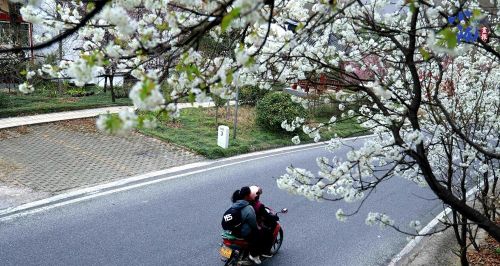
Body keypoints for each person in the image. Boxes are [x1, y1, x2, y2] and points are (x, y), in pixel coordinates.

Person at [229, 186, 263, 264]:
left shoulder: (235, 204)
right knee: (258, 234)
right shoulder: (248, 208)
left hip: (232, 229)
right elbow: (253, 224)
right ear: (247, 196)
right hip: (242, 232)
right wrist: (258, 228)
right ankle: (253, 255)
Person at [249, 185, 278, 258]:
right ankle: (265, 252)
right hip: (255, 224)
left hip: (245, 222)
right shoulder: (258, 205)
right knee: (268, 234)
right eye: (258, 194)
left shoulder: (245, 201)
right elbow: (267, 216)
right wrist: (275, 217)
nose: (259, 196)